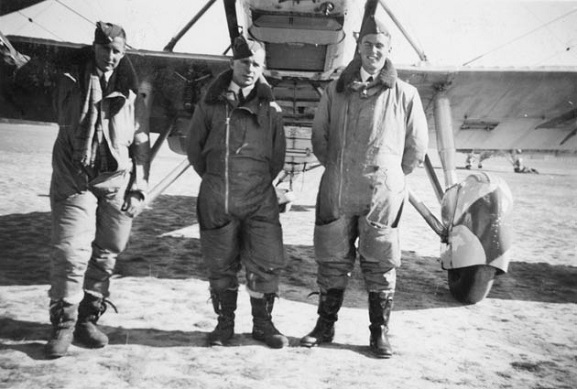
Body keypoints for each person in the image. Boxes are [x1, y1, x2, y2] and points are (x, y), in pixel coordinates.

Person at [299, 16, 428, 358]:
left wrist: (388, 177)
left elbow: (415, 149)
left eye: (380, 46)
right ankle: (324, 326)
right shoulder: (335, 90)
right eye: (368, 44)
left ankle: (379, 334)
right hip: (338, 191)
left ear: (389, 51)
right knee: (331, 260)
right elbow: (319, 138)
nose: (373, 51)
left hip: (381, 197)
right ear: (358, 47)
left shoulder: (406, 95)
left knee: (381, 263)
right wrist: (341, 170)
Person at [45, 21, 150, 358]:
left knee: (108, 250)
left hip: (116, 182)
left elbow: (140, 142)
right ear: (94, 47)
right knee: (70, 251)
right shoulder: (69, 79)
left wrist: (139, 186)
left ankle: (88, 318)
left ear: (124, 53)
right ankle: (63, 323)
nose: (110, 56)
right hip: (74, 177)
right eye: (105, 48)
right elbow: (25, 70)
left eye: (117, 51)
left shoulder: (131, 92)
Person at [186, 36, 288, 349]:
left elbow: (277, 156)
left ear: (262, 68)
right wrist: (220, 178)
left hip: (260, 200)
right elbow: (194, 149)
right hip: (219, 196)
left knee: (264, 262)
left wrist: (254, 182)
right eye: (244, 62)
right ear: (232, 63)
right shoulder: (210, 103)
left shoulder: (271, 108)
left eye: (256, 64)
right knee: (220, 263)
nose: (250, 69)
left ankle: (263, 324)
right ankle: (224, 324)